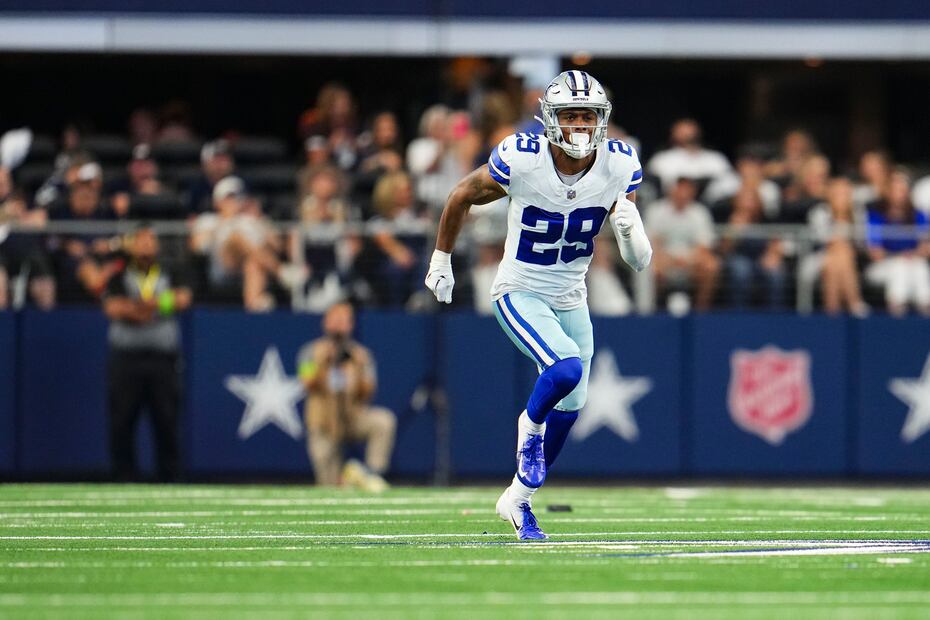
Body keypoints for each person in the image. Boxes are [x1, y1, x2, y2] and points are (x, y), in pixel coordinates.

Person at [424, 71, 651, 540]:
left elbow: (639, 262)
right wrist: (441, 257)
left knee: (575, 398)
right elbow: (462, 193)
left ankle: (518, 500)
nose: (581, 126)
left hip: (571, 294)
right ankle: (529, 427)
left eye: (588, 116)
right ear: (550, 120)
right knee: (565, 368)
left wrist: (629, 229)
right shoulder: (523, 159)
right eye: (570, 115)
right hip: (520, 289)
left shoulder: (619, 165)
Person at [102, 223, 192, 481]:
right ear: (131, 245)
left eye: (149, 240)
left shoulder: (170, 269)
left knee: (166, 420)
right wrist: (154, 306)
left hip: (162, 360)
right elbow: (113, 308)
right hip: (126, 360)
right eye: (140, 240)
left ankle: (170, 478)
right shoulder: (119, 274)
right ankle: (123, 477)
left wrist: (146, 305)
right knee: (122, 421)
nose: (145, 245)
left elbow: (182, 299)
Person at [298, 302, 395, 491]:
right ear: (325, 323)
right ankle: (345, 480)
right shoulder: (310, 352)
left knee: (383, 421)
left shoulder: (361, 355)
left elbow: (368, 391)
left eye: (343, 321)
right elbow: (306, 383)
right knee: (329, 486)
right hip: (323, 421)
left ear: (351, 325)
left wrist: (356, 372)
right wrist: (324, 364)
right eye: (335, 321)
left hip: (351, 416)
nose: (338, 326)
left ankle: (371, 473)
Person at [644, 177, 720, 311]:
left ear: (692, 193)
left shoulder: (700, 213)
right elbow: (652, 243)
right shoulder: (656, 210)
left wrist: (688, 260)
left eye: (687, 191)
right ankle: (653, 310)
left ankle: (701, 310)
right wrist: (670, 260)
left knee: (711, 266)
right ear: (672, 191)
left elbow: (704, 246)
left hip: (691, 260)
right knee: (650, 268)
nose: (682, 194)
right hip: (663, 259)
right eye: (680, 190)